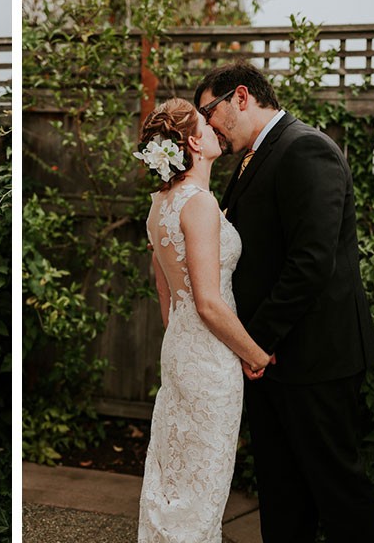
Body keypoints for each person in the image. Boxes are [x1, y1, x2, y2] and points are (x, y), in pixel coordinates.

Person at [194, 61, 374, 543]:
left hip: (316, 356)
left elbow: (312, 262)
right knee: (281, 492)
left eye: (209, 111)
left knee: (336, 491)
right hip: (269, 360)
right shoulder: (252, 158)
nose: (207, 124)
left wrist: (256, 341)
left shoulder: (306, 149)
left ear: (240, 96)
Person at [134, 98, 273, 543]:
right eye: (205, 124)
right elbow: (210, 304)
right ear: (194, 141)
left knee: (174, 477)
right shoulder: (200, 205)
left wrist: (181, 342)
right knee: (203, 488)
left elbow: (166, 294)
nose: (215, 127)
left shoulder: (159, 205)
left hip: (179, 350)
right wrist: (256, 355)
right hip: (211, 360)